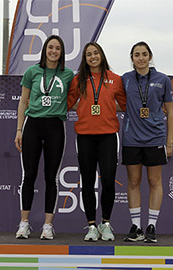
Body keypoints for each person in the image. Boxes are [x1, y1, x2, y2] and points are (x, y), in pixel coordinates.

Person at [14, 35, 74, 240]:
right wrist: (19, 130)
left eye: (58, 48)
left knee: (51, 178)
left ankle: (48, 226)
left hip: (55, 126)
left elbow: (76, 98)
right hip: (33, 125)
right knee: (28, 176)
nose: (54, 51)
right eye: (51, 47)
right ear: (45, 50)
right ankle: (24, 224)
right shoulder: (32, 72)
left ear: (61, 52)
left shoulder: (68, 75)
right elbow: (23, 102)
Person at [67, 42, 126, 241]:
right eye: (89, 54)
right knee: (88, 181)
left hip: (109, 136)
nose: (93, 56)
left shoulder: (115, 79)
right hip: (85, 136)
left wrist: (153, 109)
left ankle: (106, 223)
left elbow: (127, 104)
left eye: (96, 53)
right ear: (85, 59)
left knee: (109, 181)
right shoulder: (78, 80)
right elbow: (66, 103)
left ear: (102, 55)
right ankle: (92, 225)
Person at [122, 41, 173, 243]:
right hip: (131, 138)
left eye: (144, 54)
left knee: (155, 181)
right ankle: (136, 227)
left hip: (155, 138)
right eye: (137, 54)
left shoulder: (163, 79)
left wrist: (169, 143)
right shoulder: (125, 79)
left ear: (150, 56)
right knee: (134, 182)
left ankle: (151, 226)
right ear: (132, 58)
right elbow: (118, 104)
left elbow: (169, 112)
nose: (141, 58)